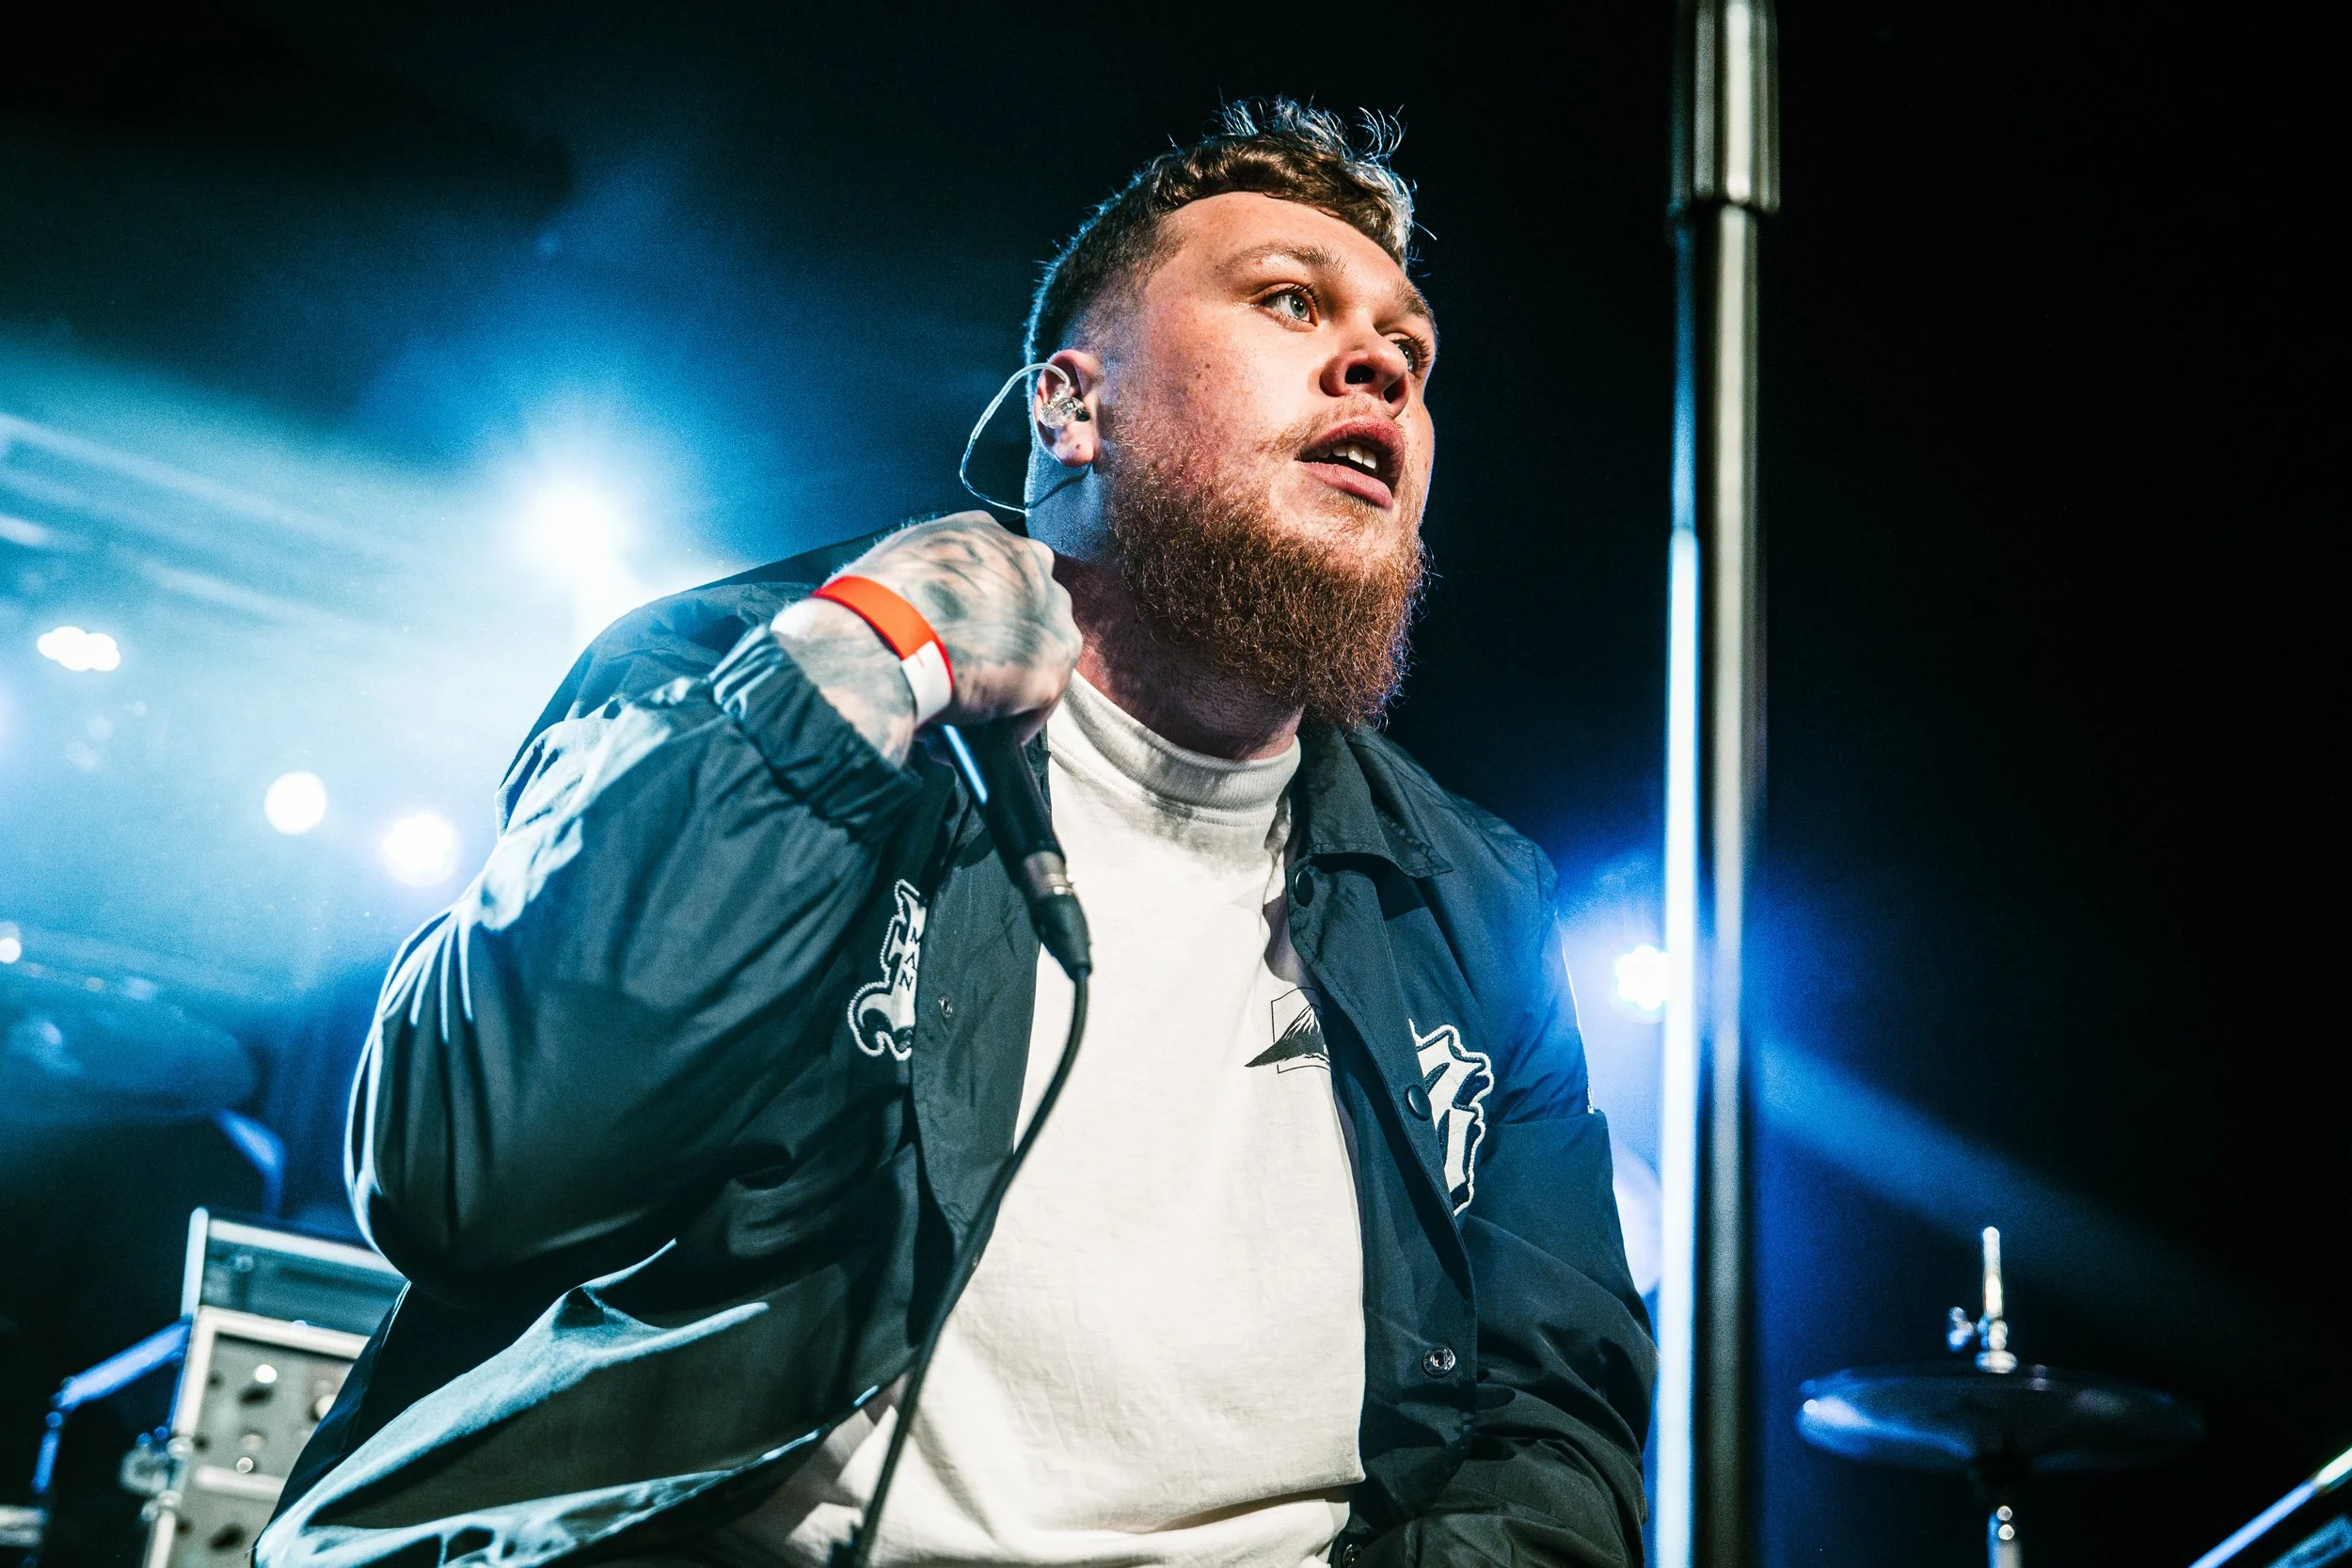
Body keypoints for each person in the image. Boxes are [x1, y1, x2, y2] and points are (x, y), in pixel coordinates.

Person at [258, 100, 1653, 1568]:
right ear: (1071, 409)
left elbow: (1551, 1433)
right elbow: (475, 1173)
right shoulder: (745, 673)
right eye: (1291, 300)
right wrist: (841, 680)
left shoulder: (1476, 907)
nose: (1378, 357)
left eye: (1410, 349)